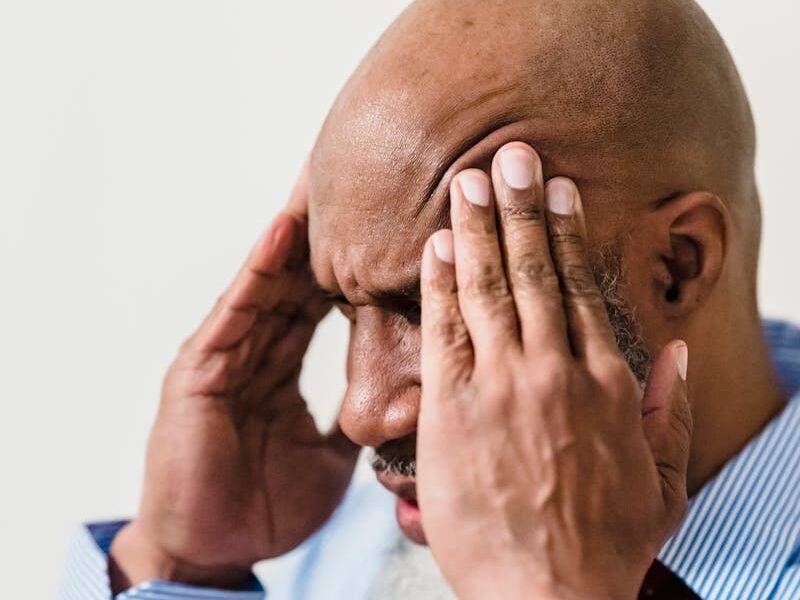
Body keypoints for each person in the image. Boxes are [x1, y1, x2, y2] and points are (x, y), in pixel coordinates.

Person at [59, 0, 800, 598]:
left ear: (676, 265)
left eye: (434, 305)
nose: (361, 414)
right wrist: (183, 569)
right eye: (347, 312)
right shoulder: (342, 536)